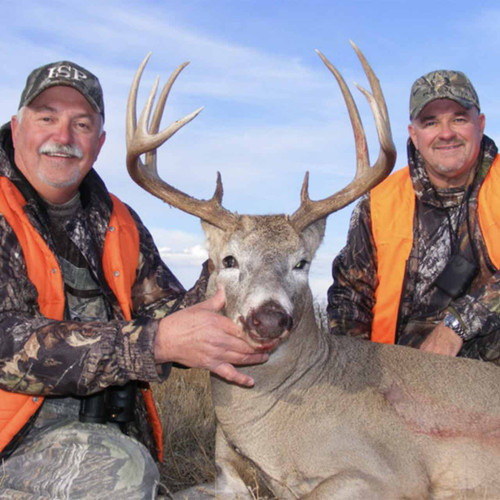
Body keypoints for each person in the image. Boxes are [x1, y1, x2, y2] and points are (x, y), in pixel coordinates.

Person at [0, 60, 272, 498]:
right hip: (11, 443)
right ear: (16, 128)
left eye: (81, 124)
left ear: (100, 142)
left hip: (100, 434)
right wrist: (153, 342)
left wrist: (229, 260)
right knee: (120, 474)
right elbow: (6, 343)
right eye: (46, 117)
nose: (63, 137)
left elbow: (169, 313)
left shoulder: (117, 220)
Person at [327, 69, 500, 364]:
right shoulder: (380, 202)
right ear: (414, 135)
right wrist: (354, 370)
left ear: (480, 124)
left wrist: (457, 325)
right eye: (430, 122)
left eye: (458, 118)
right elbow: (350, 296)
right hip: (401, 378)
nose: (446, 133)